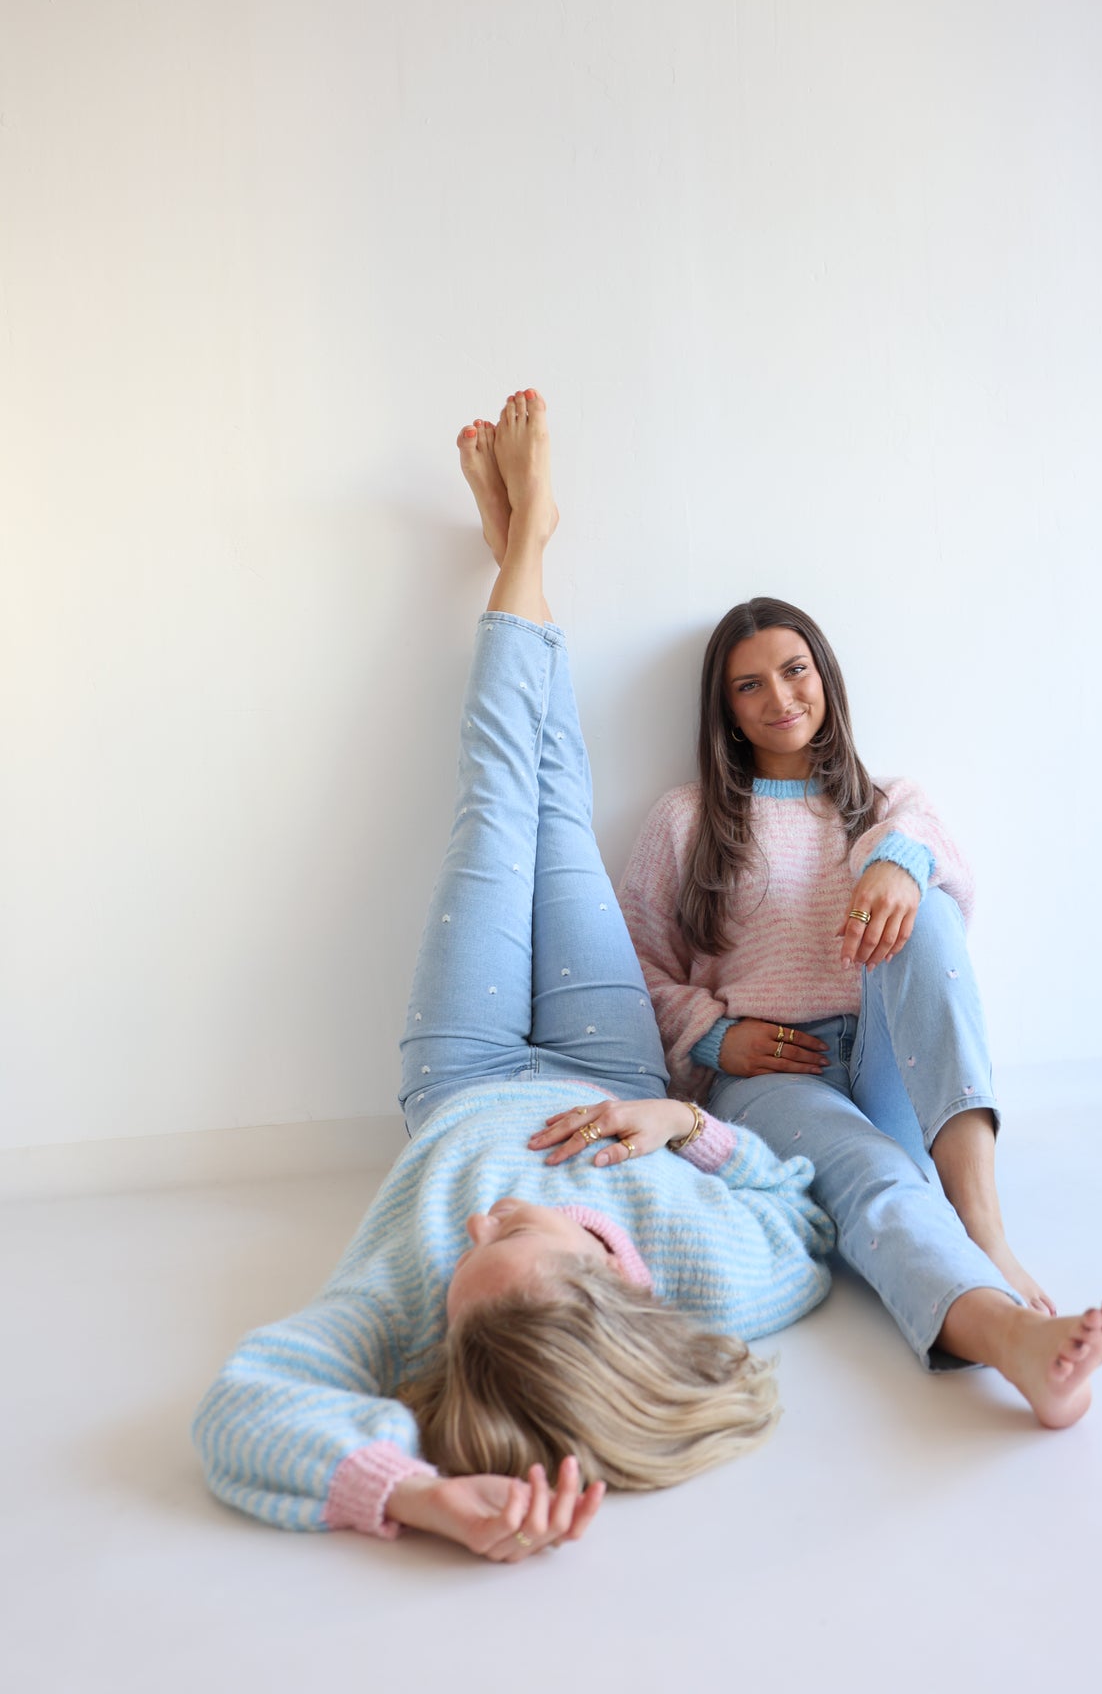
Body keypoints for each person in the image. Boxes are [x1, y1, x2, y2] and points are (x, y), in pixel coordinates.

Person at [192, 392, 834, 1564]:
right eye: (515, 1237)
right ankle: (523, 549)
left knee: (497, 803)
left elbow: (243, 1409)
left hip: (465, 1071)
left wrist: (414, 1496)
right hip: (610, 1068)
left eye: (467, 1256)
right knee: (557, 807)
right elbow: (802, 1217)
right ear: (608, 1279)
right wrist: (685, 1124)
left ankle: (524, 547)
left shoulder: (419, 1303)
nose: (480, 1219)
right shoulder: (710, 1277)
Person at [619, 597, 1102, 1423]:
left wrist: (898, 859)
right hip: (776, 1080)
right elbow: (634, 966)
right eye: (749, 685)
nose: (780, 697)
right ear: (727, 711)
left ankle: (983, 1229)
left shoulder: (893, 802)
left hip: (898, 1062)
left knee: (926, 904)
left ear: (824, 675)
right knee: (875, 1175)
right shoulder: (685, 818)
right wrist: (714, 1038)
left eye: (795, 670)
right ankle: (1014, 1341)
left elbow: (944, 903)